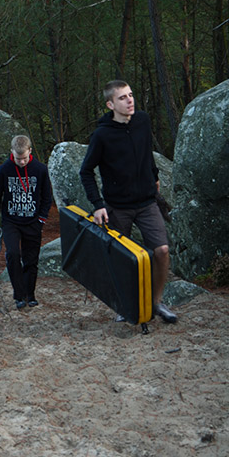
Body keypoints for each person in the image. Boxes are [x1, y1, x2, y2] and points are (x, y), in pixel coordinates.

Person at [79, 79, 177, 324]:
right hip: (117, 208)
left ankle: (156, 302)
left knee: (162, 251)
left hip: (146, 203)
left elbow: (147, 154)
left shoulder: (143, 121)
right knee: (123, 260)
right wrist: (98, 205)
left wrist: (154, 177)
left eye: (131, 95)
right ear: (110, 104)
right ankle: (125, 304)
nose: (130, 100)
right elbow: (86, 171)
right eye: (122, 97)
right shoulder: (101, 135)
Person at [0, 134, 53, 309]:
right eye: (18, 158)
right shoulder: (4, 170)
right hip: (11, 221)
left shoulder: (40, 169)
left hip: (33, 221)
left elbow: (47, 196)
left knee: (31, 260)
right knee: (13, 255)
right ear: (12, 153)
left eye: (24, 158)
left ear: (30, 151)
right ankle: (19, 295)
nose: (21, 162)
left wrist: (41, 218)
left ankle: (30, 294)